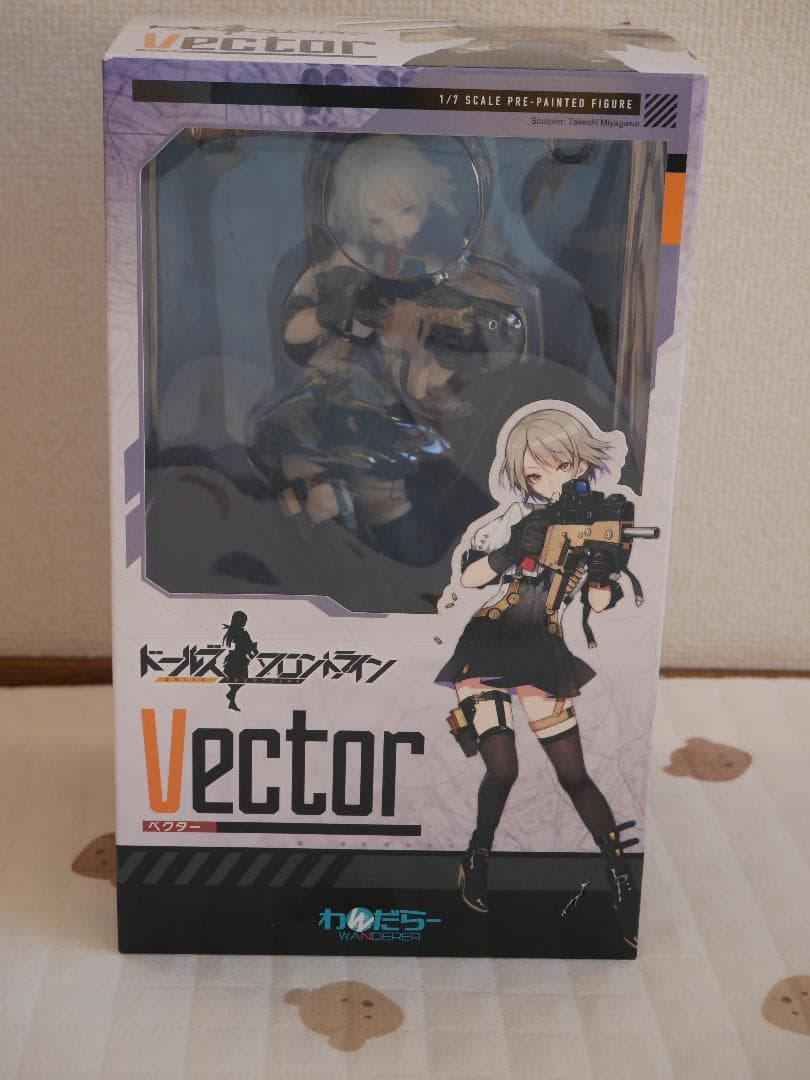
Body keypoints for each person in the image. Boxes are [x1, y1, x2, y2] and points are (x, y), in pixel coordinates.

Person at [436, 404, 640, 945]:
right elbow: (470, 576)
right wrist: (513, 547)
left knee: (573, 775)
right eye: (533, 472)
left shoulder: (598, 518)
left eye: (559, 465)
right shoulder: (510, 518)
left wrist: (602, 572)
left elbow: (600, 600)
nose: (547, 480)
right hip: (488, 643)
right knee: (502, 767)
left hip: (542, 649)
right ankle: (478, 855)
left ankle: (620, 873)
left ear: (580, 463)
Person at [221, 610, 258, 711]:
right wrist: (253, 649)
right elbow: (248, 645)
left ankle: (231, 698)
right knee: (242, 680)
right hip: (238, 661)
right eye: (244, 621)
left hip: (235, 660)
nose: (245, 623)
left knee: (238, 681)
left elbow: (247, 645)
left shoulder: (234, 631)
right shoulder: (241, 633)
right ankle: (231, 697)